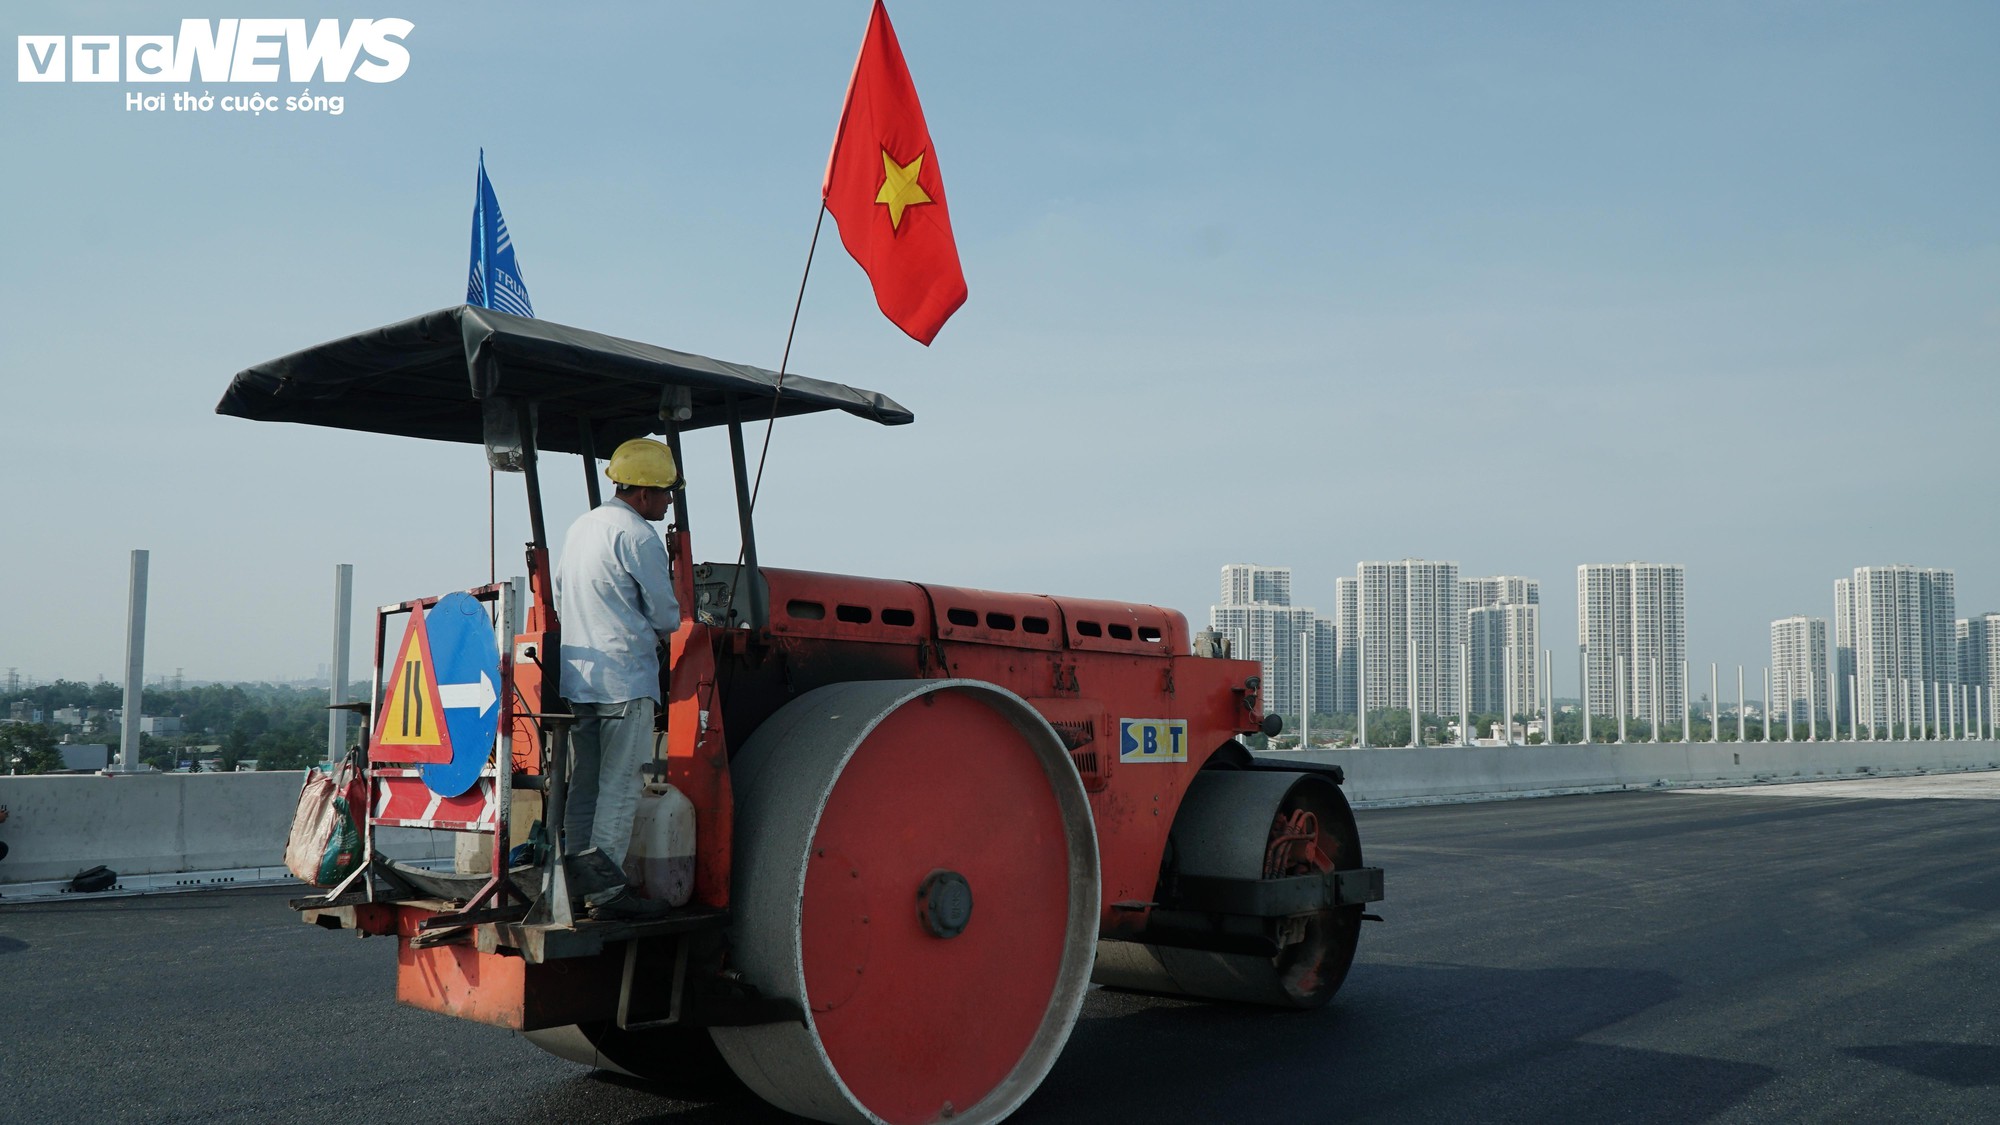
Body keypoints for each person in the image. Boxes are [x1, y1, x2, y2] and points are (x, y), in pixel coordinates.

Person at [553, 437, 683, 920]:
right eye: (666, 493)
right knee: (621, 785)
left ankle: (569, 881)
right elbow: (667, 616)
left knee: (584, 782)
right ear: (645, 493)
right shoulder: (638, 536)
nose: (669, 503)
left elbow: (563, 593)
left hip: (580, 679)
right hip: (625, 680)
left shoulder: (582, 527)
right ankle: (607, 894)